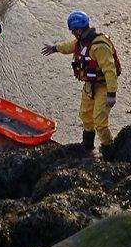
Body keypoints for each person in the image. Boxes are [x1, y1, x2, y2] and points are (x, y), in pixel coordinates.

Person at [42, 11, 121, 154]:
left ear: (78, 30)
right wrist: (55, 48)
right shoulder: (82, 42)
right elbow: (69, 46)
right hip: (90, 86)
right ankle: (88, 146)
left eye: (73, 31)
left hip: (103, 87)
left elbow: (110, 71)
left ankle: (109, 150)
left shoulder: (99, 46)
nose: (72, 34)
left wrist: (111, 94)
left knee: (99, 121)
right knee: (85, 115)